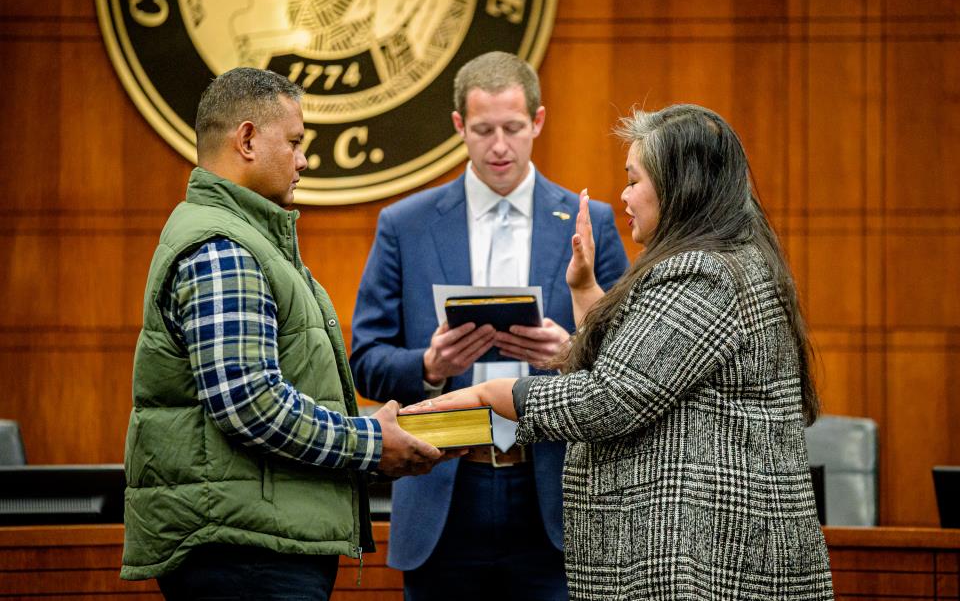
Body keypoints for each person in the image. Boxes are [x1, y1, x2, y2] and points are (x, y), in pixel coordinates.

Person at [406, 104, 836, 599]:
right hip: (714, 555)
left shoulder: (701, 273)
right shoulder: (726, 260)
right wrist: (584, 287)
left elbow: (609, 400)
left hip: (707, 563)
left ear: (679, 185)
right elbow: (636, 371)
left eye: (634, 180)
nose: (625, 196)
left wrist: (491, 393)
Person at [120, 67, 449, 599]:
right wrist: (370, 441)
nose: (303, 159)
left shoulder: (246, 238)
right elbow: (250, 403)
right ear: (247, 140)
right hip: (245, 553)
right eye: (295, 142)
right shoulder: (225, 248)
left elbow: (265, 393)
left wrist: (384, 427)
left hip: (250, 538)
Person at [349, 51, 629, 599]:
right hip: (444, 486)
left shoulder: (588, 221)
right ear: (459, 127)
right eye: (482, 130)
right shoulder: (404, 224)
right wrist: (429, 367)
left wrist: (571, 351)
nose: (499, 146)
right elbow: (364, 361)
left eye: (512, 128)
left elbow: (631, 361)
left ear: (538, 123)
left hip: (553, 492)